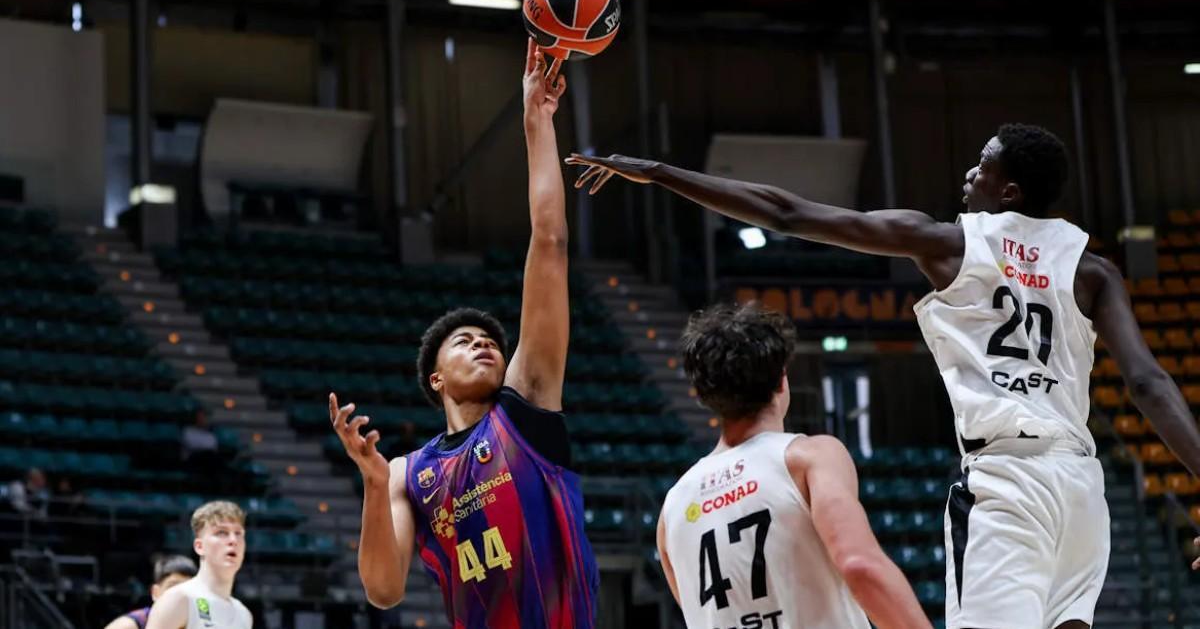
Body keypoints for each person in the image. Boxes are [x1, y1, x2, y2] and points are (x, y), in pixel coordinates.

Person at [568, 124, 1200, 629]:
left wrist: (657, 173)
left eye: (983, 166)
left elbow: (786, 214)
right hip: (1082, 485)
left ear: (1009, 192)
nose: (969, 175)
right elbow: (1148, 384)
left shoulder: (947, 243)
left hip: (1008, 481)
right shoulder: (1093, 271)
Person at [330, 38, 598, 629]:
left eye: (491, 341)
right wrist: (374, 484)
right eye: (465, 341)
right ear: (435, 377)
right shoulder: (407, 472)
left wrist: (537, 122)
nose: (483, 344)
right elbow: (382, 591)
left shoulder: (525, 404)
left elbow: (549, 243)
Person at [658, 303, 930, 629]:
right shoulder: (809, 457)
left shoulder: (672, 509)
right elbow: (860, 565)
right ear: (781, 380)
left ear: (703, 396)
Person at [144, 500, 252, 629]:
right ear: (199, 547)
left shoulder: (244, 614)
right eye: (222, 532)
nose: (233, 540)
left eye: (238, 533)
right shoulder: (179, 599)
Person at [103, 555, 197, 629]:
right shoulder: (129, 625)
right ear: (155, 592)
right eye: (172, 587)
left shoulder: (201, 622)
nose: (179, 596)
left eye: (186, 589)